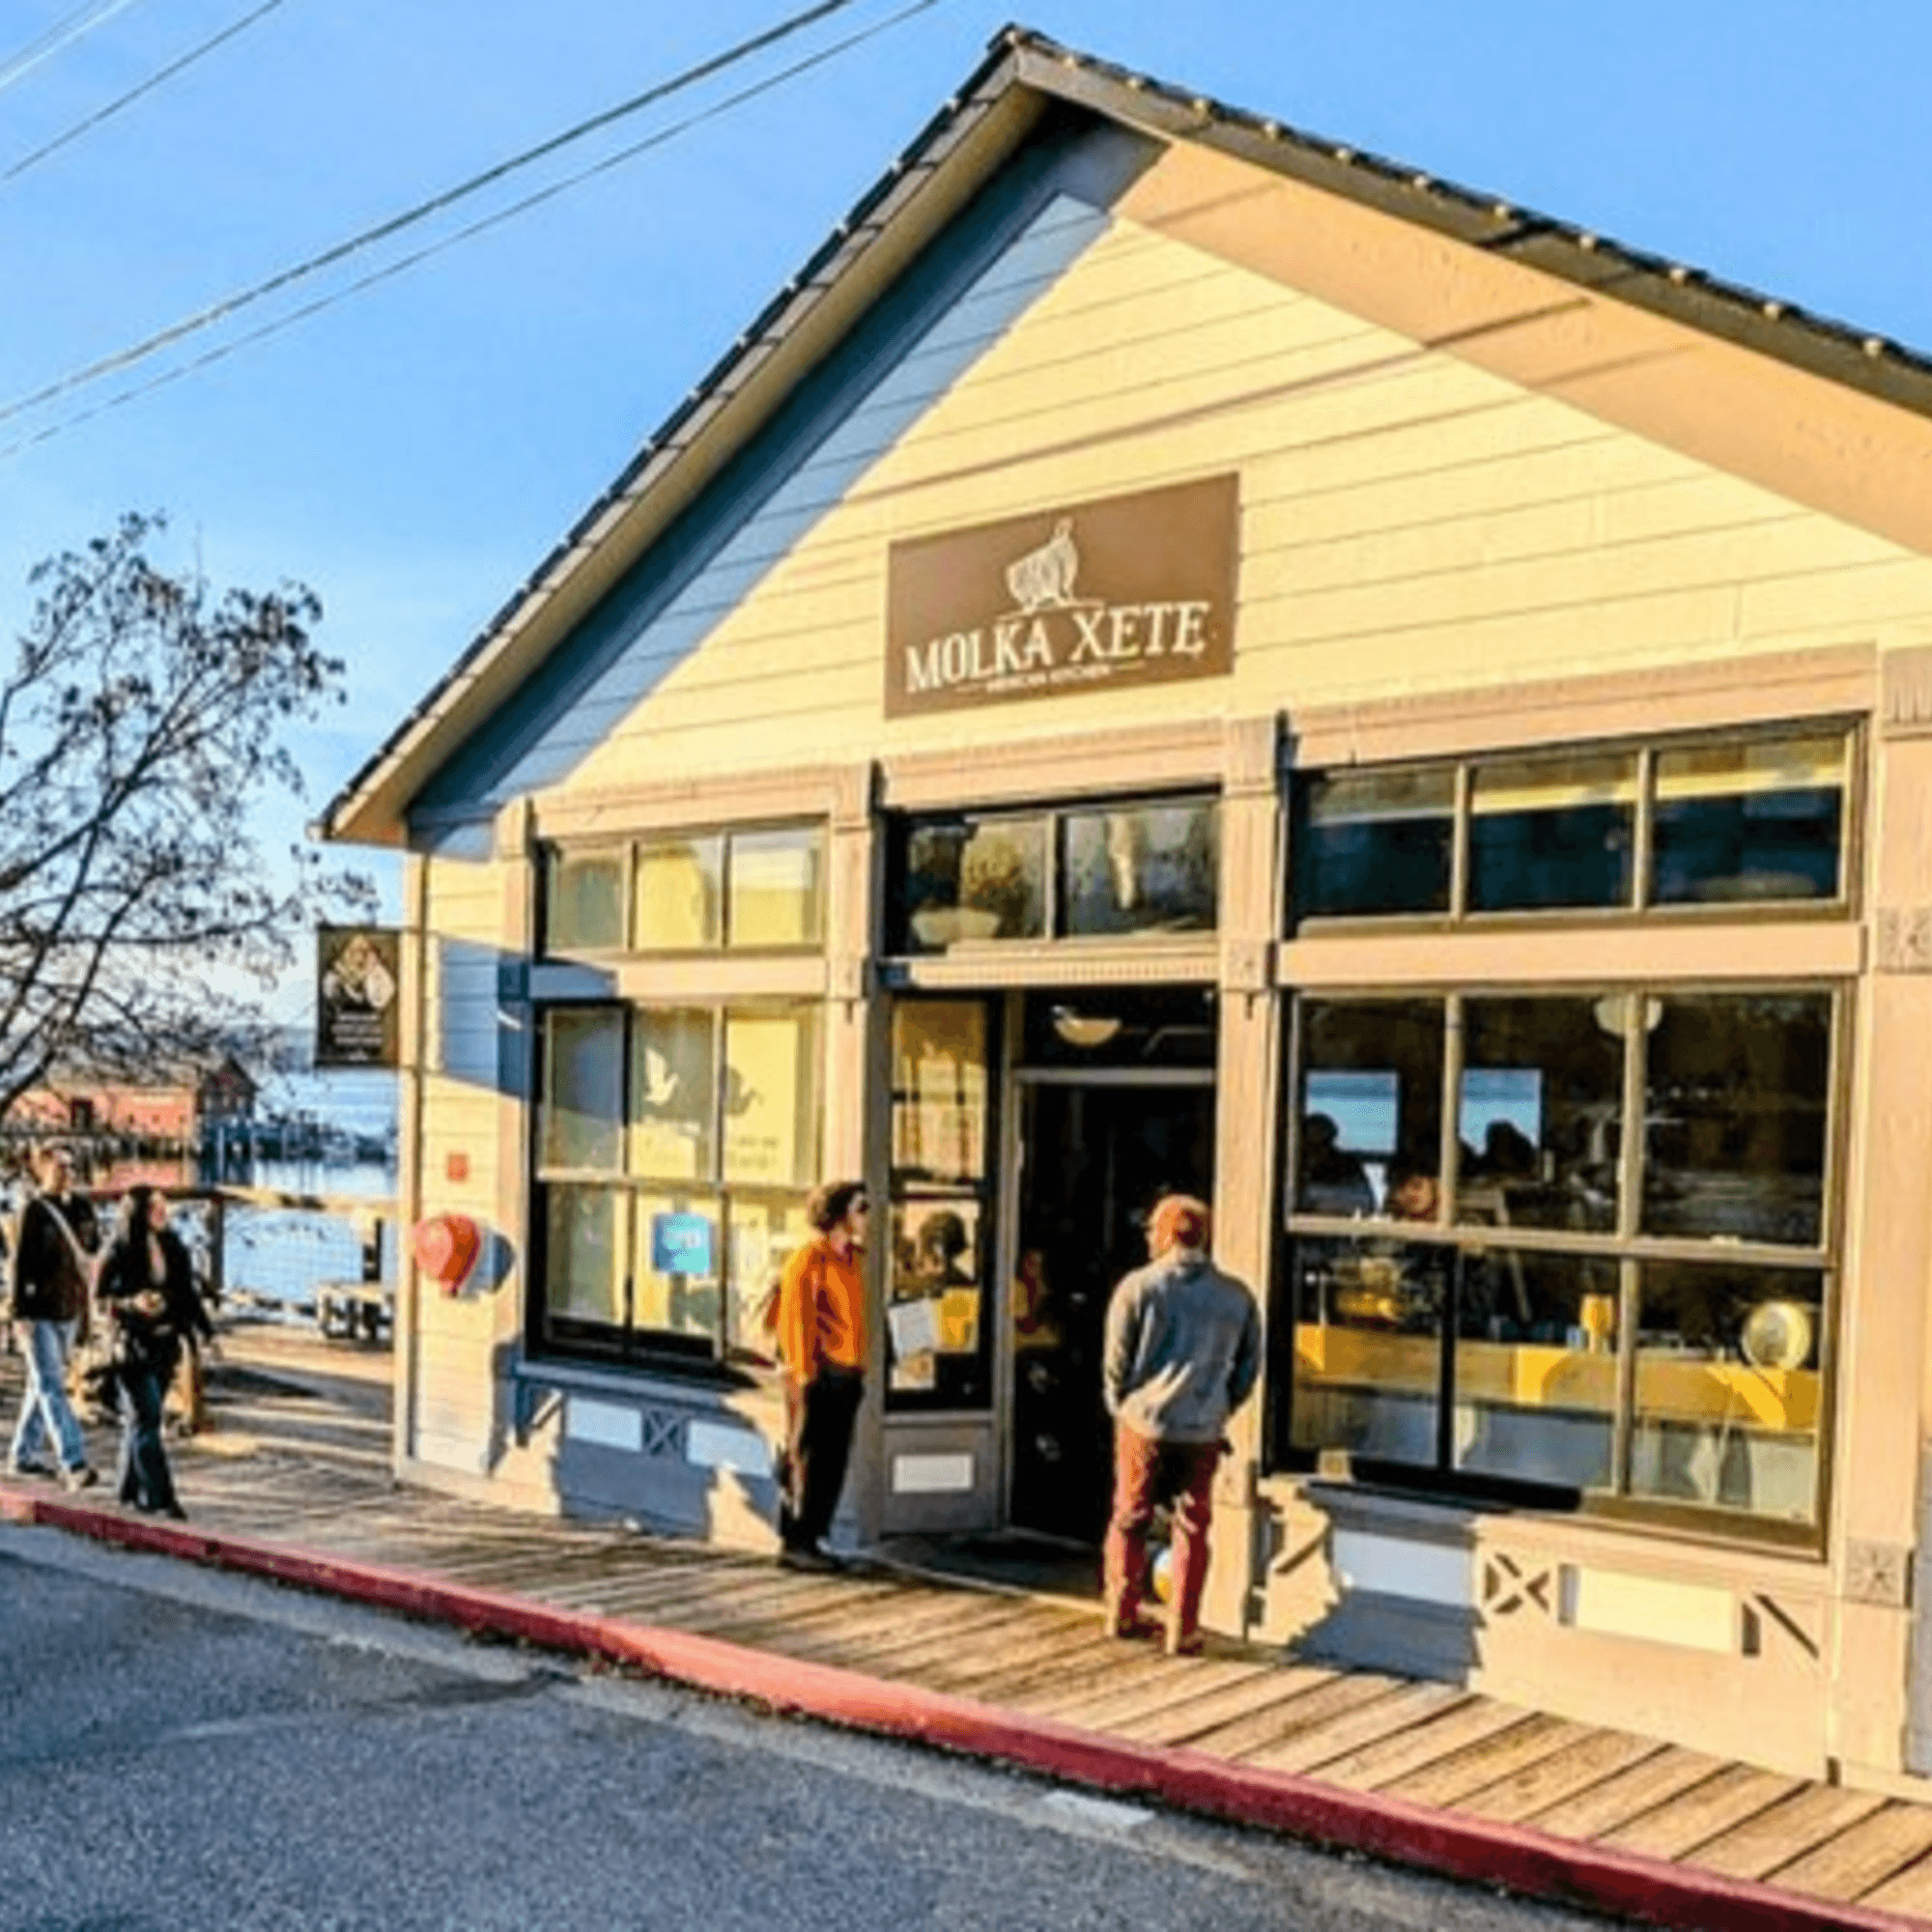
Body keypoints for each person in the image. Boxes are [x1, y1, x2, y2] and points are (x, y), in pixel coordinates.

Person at [1101, 1193, 1261, 1657]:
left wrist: (1121, 1405)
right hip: (1202, 1428)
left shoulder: (1138, 1288)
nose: (1149, 1236)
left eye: (1153, 1228)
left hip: (1144, 1424)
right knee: (1192, 1526)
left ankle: (1122, 1610)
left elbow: (1116, 1361)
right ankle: (1183, 1627)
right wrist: (1221, 1408)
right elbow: (1248, 1367)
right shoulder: (1236, 1296)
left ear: (1167, 1234)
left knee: (1130, 1518)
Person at [94, 1185, 212, 1520]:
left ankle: (126, 1490)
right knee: (147, 1419)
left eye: (164, 1206)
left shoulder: (173, 1245)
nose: (164, 1212)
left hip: (164, 1342)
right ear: (139, 1213)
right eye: (156, 1207)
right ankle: (160, 1498)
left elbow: (187, 1293)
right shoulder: (118, 1249)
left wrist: (205, 1332)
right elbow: (100, 1300)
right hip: (131, 1345)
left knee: (140, 1419)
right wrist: (131, 1304)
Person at [773, 1179, 869, 1572]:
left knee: (834, 1462)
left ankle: (815, 1536)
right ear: (839, 1215)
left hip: (848, 1374)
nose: (867, 1217)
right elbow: (798, 1322)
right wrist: (804, 1377)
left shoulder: (855, 1261)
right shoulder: (809, 1260)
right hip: (818, 1374)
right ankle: (797, 1541)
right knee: (808, 1458)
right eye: (861, 1209)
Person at [6, 1144, 100, 1490]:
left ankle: (22, 1455)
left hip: (70, 1306)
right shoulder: (33, 1211)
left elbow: (93, 1251)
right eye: (60, 1167)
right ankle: (73, 1461)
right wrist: (19, 1313)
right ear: (43, 1169)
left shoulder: (82, 1208)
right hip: (38, 1311)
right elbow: (20, 1266)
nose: (67, 1174)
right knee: (51, 1386)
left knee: (41, 1384)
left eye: (71, 1167)